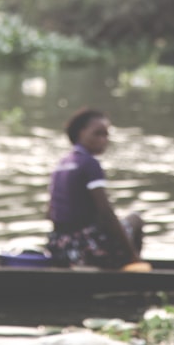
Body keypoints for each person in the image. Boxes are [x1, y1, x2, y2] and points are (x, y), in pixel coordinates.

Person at [46, 108, 144, 268]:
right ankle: (131, 265)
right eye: (97, 134)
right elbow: (106, 213)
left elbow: (50, 213)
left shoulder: (61, 164)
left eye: (106, 135)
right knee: (135, 220)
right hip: (83, 249)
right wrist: (132, 255)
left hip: (59, 247)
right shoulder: (90, 164)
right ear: (81, 133)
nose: (103, 140)